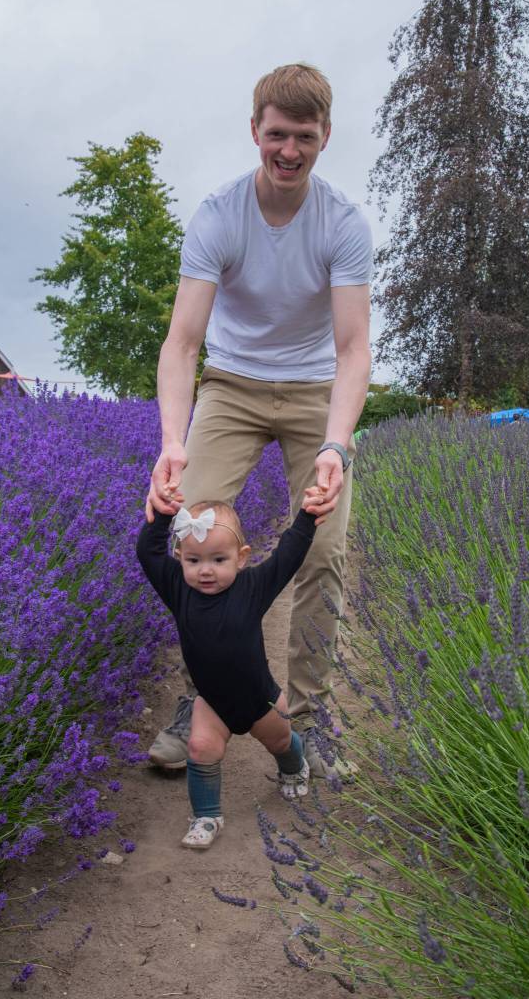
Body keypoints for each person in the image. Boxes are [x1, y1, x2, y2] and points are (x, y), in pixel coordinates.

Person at [145, 62, 373, 778]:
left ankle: (307, 719)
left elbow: (352, 349)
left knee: (323, 551)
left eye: (303, 137)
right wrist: (173, 442)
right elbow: (182, 342)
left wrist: (335, 445)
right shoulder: (218, 215)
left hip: (312, 390)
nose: (288, 151)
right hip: (233, 384)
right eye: (276, 134)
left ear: (324, 136)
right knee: (188, 531)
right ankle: (201, 702)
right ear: (255, 131)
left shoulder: (342, 223)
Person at [137, 487, 328, 848]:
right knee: (199, 747)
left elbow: (288, 555)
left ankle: (294, 766)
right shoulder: (178, 588)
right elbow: (146, 552)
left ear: (241, 558)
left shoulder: (253, 587)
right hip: (212, 701)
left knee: (281, 742)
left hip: (261, 700)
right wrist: (162, 514)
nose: (205, 571)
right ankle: (206, 815)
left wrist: (306, 516)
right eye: (193, 561)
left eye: (218, 560)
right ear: (179, 558)